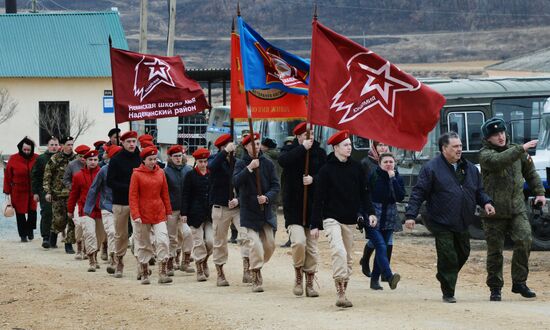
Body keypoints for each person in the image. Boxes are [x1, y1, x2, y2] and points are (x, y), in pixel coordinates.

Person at [405, 131, 495, 303]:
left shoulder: (470, 168)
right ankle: (448, 292)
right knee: (448, 256)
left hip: (462, 220)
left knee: (464, 252)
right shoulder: (431, 168)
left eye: (460, 146)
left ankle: (444, 274)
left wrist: (486, 203)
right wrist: (410, 215)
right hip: (440, 220)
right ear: (444, 148)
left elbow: (479, 191)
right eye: (455, 146)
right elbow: (419, 192)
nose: (459, 149)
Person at [479, 117, 546, 301]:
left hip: (517, 209)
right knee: (495, 252)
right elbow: (499, 161)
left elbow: (531, 173)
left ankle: (519, 283)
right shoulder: (486, 155)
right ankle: (495, 288)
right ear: (488, 139)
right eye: (495, 135)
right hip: (493, 212)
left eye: (501, 133)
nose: (500, 137)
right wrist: (521, 149)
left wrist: (539, 192)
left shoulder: (518, 151)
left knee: (525, 239)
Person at [311, 130, 377, 308]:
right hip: (331, 218)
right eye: (346, 145)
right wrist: (315, 224)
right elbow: (318, 198)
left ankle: (344, 291)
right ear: (336, 148)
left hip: (350, 219)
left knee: (347, 258)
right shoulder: (326, 170)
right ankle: (340, 292)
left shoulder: (357, 168)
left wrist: (370, 212)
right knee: (338, 252)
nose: (349, 148)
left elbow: (365, 193)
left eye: (350, 144)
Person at [278, 122, 327, 297]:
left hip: (313, 208)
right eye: (307, 135)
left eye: (312, 135)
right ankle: (298, 273)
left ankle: (310, 282)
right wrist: (301, 149)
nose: (311, 138)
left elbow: (325, 175)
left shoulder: (320, 153)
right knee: (299, 242)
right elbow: (283, 161)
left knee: (312, 248)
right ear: (298, 137)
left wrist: (313, 179)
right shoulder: (289, 151)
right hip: (294, 207)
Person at [233, 132, 280, 292]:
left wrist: (267, 197)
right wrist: (249, 169)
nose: (257, 146)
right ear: (246, 147)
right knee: (255, 245)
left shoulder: (268, 163)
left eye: (259, 143)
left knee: (270, 245)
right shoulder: (240, 163)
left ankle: (256, 262)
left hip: (265, 212)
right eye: (253, 144)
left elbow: (276, 186)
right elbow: (236, 182)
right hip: (249, 212)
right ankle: (256, 273)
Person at [208, 134, 250, 286]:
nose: (232, 149)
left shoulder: (238, 163)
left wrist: (238, 199)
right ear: (221, 148)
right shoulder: (215, 160)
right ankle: (220, 273)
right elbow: (211, 168)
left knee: (246, 236)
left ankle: (247, 270)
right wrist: (224, 152)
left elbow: (244, 183)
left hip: (237, 207)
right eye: (227, 146)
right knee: (220, 241)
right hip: (220, 207)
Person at [129, 146, 173, 285]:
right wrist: (135, 214)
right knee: (144, 244)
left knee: (163, 240)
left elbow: (165, 193)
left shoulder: (161, 173)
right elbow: (133, 196)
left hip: (158, 212)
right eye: (150, 159)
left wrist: (168, 211)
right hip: (142, 214)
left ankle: (162, 272)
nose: (153, 162)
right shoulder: (136, 174)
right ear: (143, 160)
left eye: (155, 159)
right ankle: (144, 272)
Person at [367, 152, 404, 291]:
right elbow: (365, 195)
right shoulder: (373, 176)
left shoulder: (397, 177)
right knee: (381, 246)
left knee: (382, 249)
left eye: (391, 162)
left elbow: (400, 197)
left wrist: (393, 180)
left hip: (389, 216)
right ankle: (389, 276)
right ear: (380, 164)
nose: (389, 164)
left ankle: (374, 280)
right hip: (373, 215)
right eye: (386, 162)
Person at [106, 131, 141, 278]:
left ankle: (141, 265)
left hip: (137, 203)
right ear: (123, 143)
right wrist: (129, 187)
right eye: (129, 142)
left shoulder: (141, 158)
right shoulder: (116, 160)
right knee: (121, 234)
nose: (132, 144)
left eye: (134, 141)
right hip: (120, 202)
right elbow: (110, 181)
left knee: (140, 234)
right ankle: (119, 261)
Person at [84, 145, 122, 274]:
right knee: (111, 232)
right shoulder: (104, 171)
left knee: (121, 235)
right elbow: (94, 189)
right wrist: (88, 208)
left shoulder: (127, 170)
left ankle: (119, 257)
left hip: (122, 207)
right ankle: (113, 259)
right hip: (107, 206)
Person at [67, 149, 105, 272]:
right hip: (85, 209)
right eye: (90, 160)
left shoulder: (103, 173)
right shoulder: (78, 176)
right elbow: (73, 194)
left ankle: (96, 253)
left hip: (100, 209)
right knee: (89, 234)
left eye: (95, 160)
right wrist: (70, 209)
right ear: (86, 161)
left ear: (98, 161)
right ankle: (92, 260)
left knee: (100, 236)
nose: (93, 162)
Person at [359, 141, 390, 277]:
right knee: (377, 240)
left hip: (388, 207)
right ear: (374, 147)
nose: (383, 147)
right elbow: (363, 187)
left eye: (385, 145)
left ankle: (382, 271)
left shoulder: (390, 161)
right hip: (371, 205)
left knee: (386, 240)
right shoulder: (366, 163)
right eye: (380, 145)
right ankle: (367, 261)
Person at [182, 148, 213, 282]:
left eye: (205, 161)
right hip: (194, 214)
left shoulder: (212, 174)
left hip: (210, 214)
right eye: (200, 161)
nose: (203, 164)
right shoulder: (190, 175)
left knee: (211, 241)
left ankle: (205, 259)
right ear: (196, 161)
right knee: (198, 241)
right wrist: (184, 213)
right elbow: (185, 195)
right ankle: (199, 267)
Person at [164, 145, 194, 275]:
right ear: (170, 157)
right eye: (175, 156)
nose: (178, 158)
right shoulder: (165, 172)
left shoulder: (189, 170)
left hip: (186, 209)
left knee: (188, 233)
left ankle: (185, 261)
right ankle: (170, 262)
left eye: (179, 155)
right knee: (172, 237)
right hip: (171, 209)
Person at [43, 136, 77, 253]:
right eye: (68, 144)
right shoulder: (55, 158)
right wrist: (47, 191)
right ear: (62, 146)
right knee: (59, 220)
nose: (70, 147)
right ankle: (53, 234)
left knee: (72, 219)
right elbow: (47, 175)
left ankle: (69, 244)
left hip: (72, 194)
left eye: (72, 144)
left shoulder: (76, 159)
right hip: (57, 194)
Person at [3, 137, 38, 242]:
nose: (27, 152)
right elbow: (8, 176)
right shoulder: (13, 159)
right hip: (18, 190)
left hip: (32, 190)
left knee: (32, 211)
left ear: (32, 149)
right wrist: (7, 190)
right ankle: (23, 235)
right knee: (20, 213)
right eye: (25, 150)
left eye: (29, 150)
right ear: (21, 149)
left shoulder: (37, 158)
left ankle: (30, 230)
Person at [63, 144, 91, 259]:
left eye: (85, 156)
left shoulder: (93, 164)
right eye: (81, 156)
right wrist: (72, 187)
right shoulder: (72, 165)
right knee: (77, 223)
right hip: (77, 197)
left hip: (90, 198)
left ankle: (86, 248)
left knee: (88, 226)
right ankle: (75, 245)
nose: (83, 159)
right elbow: (66, 179)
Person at [31, 136, 59, 248]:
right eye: (51, 145)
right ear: (48, 146)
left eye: (56, 145)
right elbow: (35, 176)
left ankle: (54, 238)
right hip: (45, 191)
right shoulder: (41, 159)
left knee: (58, 215)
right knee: (47, 213)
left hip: (59, 191)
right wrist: (35, 192)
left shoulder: (61, 158)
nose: (54, 147)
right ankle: (46, 237)